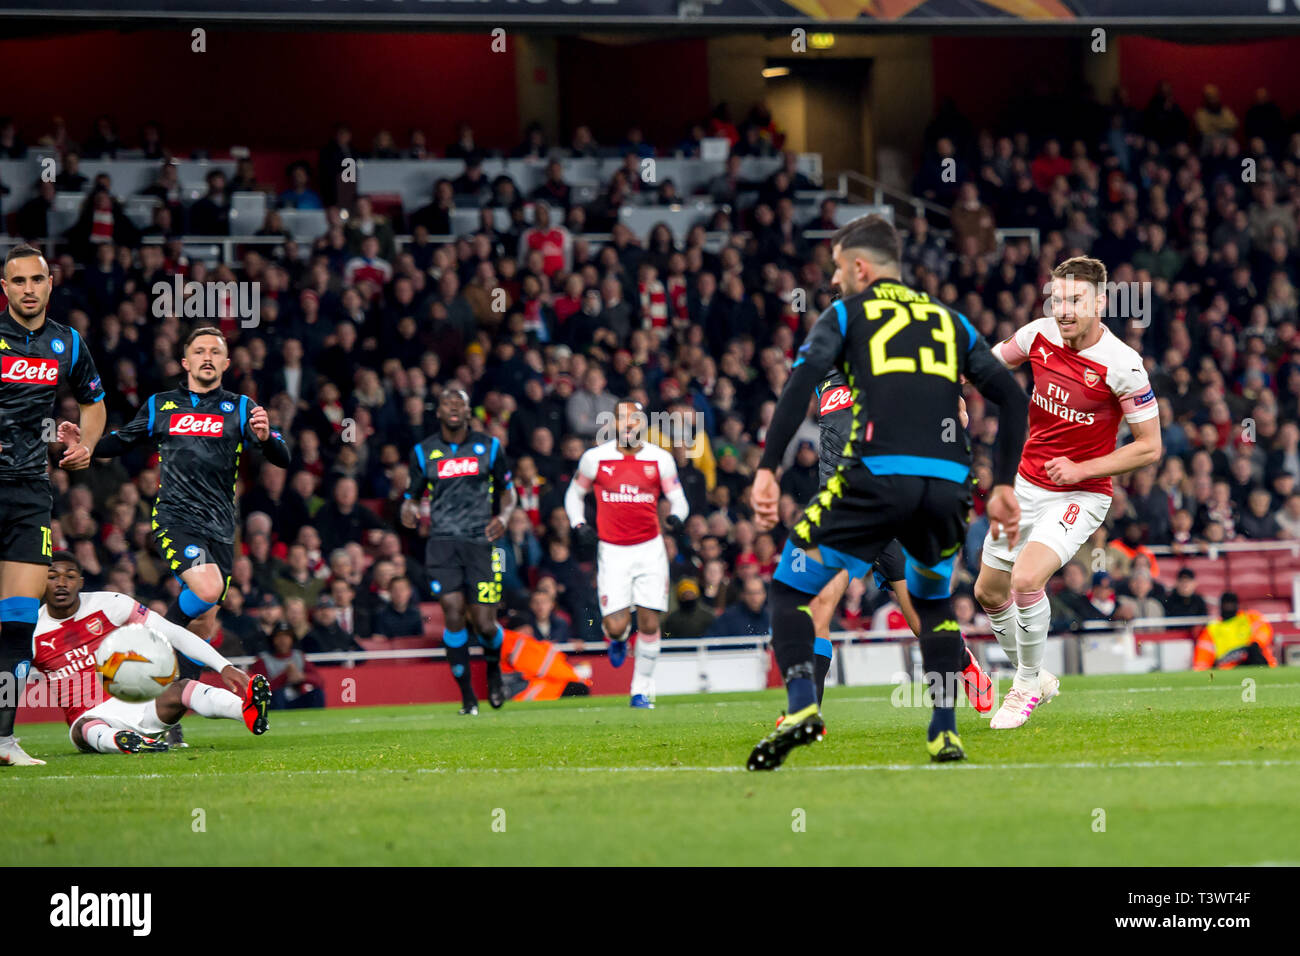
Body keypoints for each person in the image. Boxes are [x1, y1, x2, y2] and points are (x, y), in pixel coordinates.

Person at [749, 213, 1028, 767]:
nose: (833, 282)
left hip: (868, 486)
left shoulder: (847, 320)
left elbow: (798, 382)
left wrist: (767, 467)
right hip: (942, 485)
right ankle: (944, 728)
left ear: (859, 267)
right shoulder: (947, 321)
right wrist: (1001, 483)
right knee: (928, 602)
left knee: (796, 592)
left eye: (837, 270)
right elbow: (1011, 397)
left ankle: (803, 707)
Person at [974, 255, 1162, 730]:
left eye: (1075, 300)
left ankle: (1023, 687)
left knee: (1025, 579)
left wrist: (1082, 467)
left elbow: (1149, 447)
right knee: (988, 589)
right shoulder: (1037, 334)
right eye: (1057, 299)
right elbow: (984, 368)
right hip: (1025, 484)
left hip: (1082, 493)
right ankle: (1034, 675)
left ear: (1099, 302)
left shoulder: (1123, 365)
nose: (1063, 309)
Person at [88, 326, 291, 745]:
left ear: (226, 363)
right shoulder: (161, 405)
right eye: (198, 351)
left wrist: (267, 436)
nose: (207, 357)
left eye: (215, 352)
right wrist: (85, 444)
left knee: (203, 626)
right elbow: (121, 441)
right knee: (209, 587)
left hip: (221, 529)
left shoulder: (240, 408)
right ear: (185, 362)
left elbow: (281, 456)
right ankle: (158, 630)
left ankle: (167, 718)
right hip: (176, 520)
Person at [0, 244, 107, 767]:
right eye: (16, 281)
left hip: (26, 492)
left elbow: (94, 401)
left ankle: (2, 742)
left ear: (49, 283)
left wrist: (83, 445)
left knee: (18, 621)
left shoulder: (66, 343)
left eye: (35, 280)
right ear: (5, 289)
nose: (27, 289)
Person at [34, 552, 269, 754]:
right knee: (85, 728)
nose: (61, 583)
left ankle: (245, 711)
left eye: (70, 576)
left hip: (140, 703)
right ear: (40, 581)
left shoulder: (110, 605)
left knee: (183, 688)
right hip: (89, 718)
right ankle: (124, 742)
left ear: (81, 581)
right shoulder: (32, 631)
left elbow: (173, 633)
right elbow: (13, 676)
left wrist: (223, 666)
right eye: (52, 577)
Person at [564, 399, 690, 708]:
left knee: (649, 623)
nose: (629, 424)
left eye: (634, 418)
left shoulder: (660, 459)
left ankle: (640, 690)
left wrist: (677, 517)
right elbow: (574, 494)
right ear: (614, 424)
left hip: (650, 549)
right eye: (623, 419)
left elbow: (678, 498)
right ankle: (617, 640)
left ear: (643, 424)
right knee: (617, 626)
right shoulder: (595, 458)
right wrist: (578, 523)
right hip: (612, 551)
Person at [401, 385, 515, 715]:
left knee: (484, 623)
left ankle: (493, 669)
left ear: (469, 412)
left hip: (483, 542)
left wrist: (505, 516)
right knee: (452, 611)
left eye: (459, 403)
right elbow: (412, 495)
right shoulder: (423, 452)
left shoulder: (490, 447)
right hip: (443, 543)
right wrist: (408, 509)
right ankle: (467, 696)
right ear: (438, 412)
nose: (453, 407)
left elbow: (508, 492)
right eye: (446, 403)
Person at [1192, 592, 1276, 670]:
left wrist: (1256, 644)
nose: (1229, 607)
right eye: (1226, 605)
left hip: (1255, 662)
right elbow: (1202, 660)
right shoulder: (1212, 629)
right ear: (1221, 606)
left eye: (1231, 604)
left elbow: (1264, 630)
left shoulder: (1250, 617)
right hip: (1229, 670)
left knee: (1254, 652)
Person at [252, 626, 326, 709]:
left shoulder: (299, 656)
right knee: (278, 694)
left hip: (296, 699)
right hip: (274, 702)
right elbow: (260, 690)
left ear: (292, 639)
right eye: (279, 637)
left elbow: (319, 681)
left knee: (317, 694)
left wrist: (302, 677)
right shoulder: (263, 660)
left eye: (287, 637)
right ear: (273, 639)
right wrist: (285, 676)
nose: (283, 640)